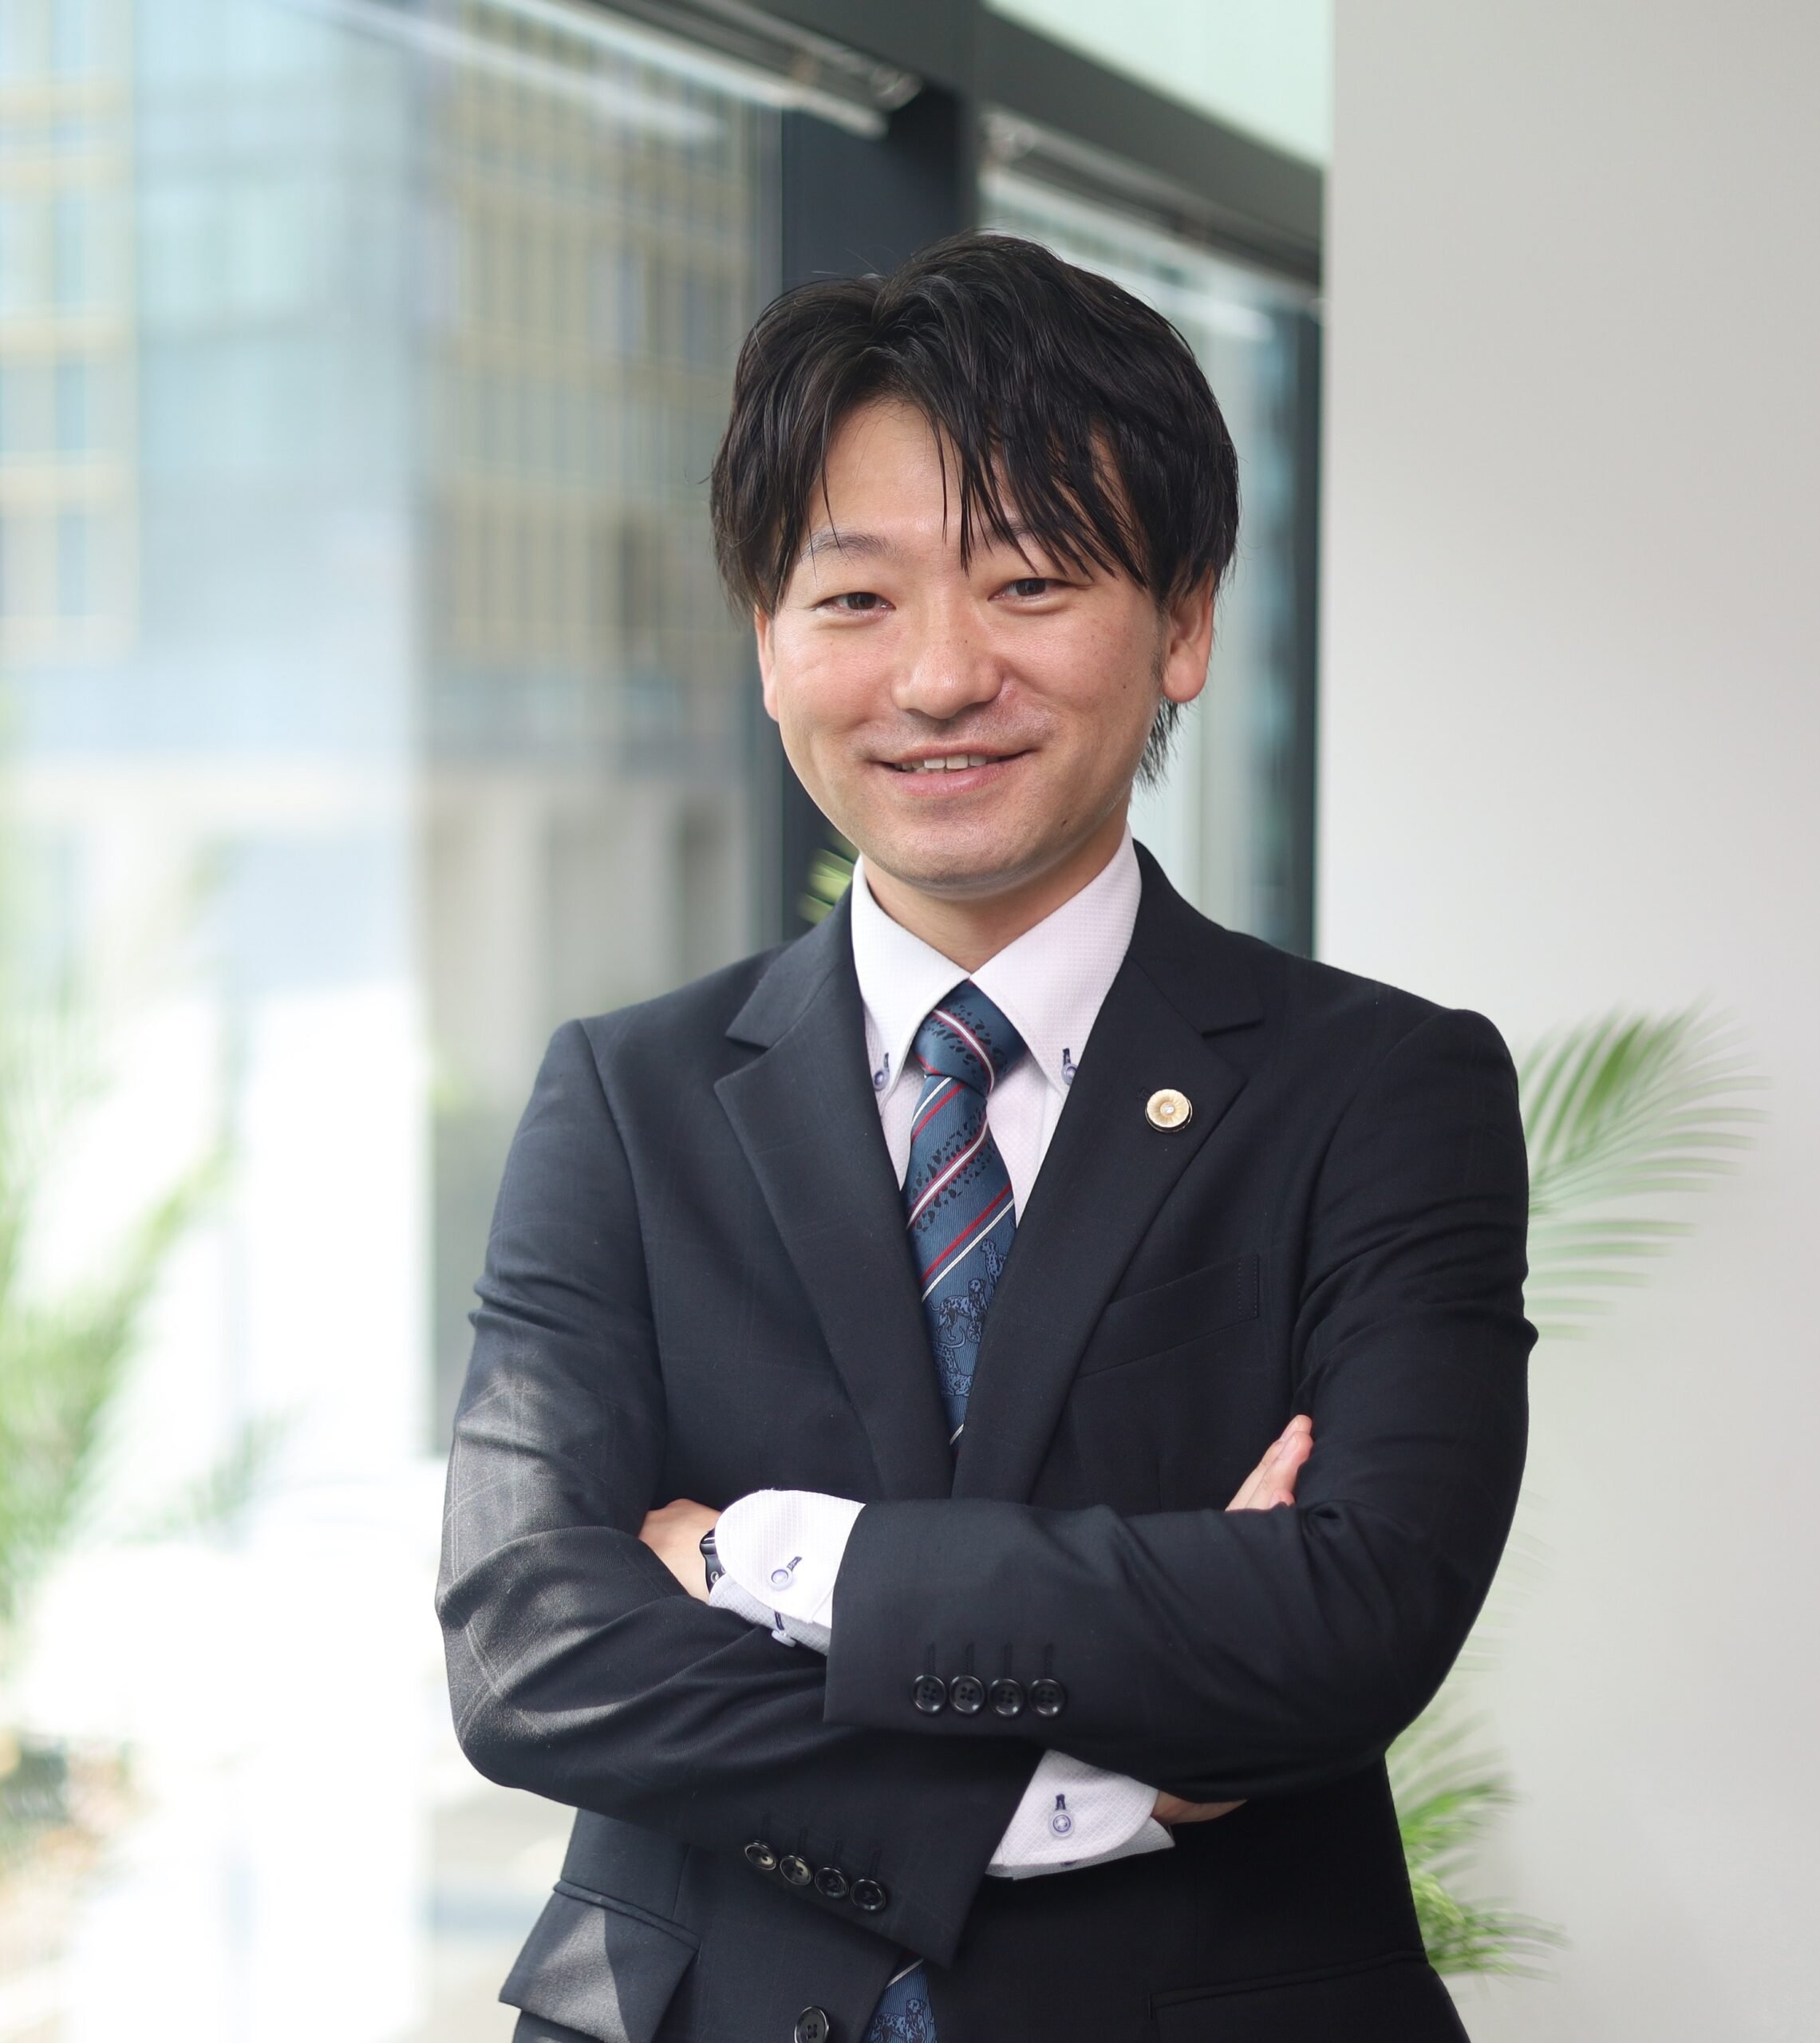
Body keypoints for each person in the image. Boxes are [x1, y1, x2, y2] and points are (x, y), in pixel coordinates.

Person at [436, 231, 1533, 2043]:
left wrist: (775, 1557)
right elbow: (529, 1645)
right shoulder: (624, 1096)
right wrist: (1063, 1802)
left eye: (1025, 582)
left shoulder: (1381, 1089)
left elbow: (1351, 1613)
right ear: (767, 646)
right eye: (853, 600)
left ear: (1180, 622)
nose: (937, 677)